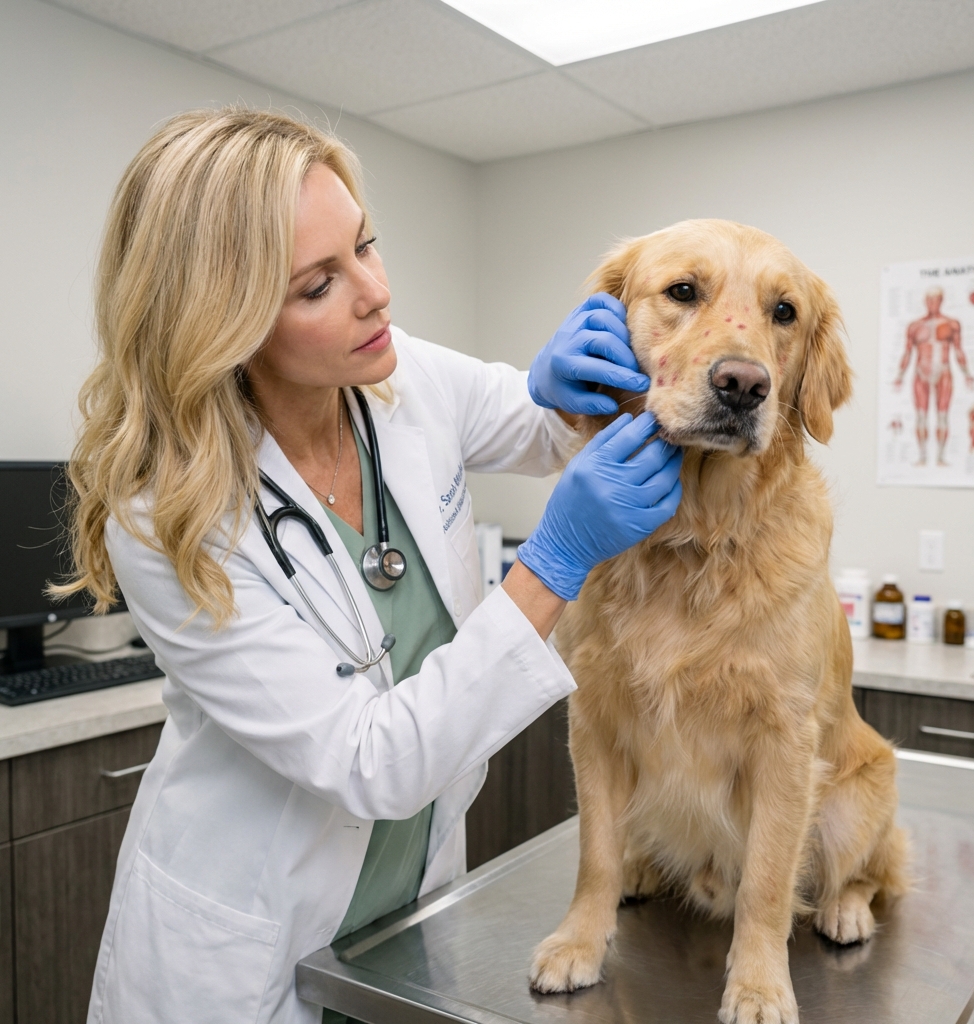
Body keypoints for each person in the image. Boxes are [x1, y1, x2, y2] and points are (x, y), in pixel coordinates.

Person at [60, 108, 682, 1024]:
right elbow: (370, 762)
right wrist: (552, 563)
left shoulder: (400, 378)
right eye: (318, 284)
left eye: (366, 245)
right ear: (220, 324)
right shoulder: (165, 517)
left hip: (403, 913)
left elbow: (542, 424)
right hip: (246, 949)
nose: (375, 293)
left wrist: (574, 382)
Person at [893, 286, 974, 466]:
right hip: (921, 372)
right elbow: (907, 352)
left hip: (943, 371)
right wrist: (900, 375)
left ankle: (940, 456)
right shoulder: (915, 326)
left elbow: (958, 351)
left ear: (941, 300)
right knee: (921, 415)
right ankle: (922, 456)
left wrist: (967, 374)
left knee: (942, 415)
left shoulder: (951, 324)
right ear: (925, 301)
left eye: (936, 299)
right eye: (929, 299)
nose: (932, 303)